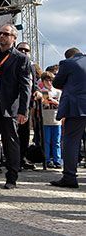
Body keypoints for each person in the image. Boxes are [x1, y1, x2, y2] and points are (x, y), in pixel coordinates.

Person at [0, 24, 31, 190]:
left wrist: (23, 110)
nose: (2, 36)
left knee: (10, 141)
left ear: (14, 38)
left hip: (9, 105)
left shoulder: (21, 58)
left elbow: (25, 86)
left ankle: (11, 176)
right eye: (0, 33)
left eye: (6, 34)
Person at [50, 47, 86, 188]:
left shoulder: (68, 63)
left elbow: (56, 83)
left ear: (69, 56)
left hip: (77, 107)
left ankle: (70, 176)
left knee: (71, 140)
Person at [15, 41, 40, 169]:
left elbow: (33, 83)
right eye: (21, 49)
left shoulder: (31, 66)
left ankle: (22, 158)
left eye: (26, 50)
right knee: (13, 133)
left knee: (24, 134)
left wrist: (36, 90)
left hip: (27, 104)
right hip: (14, 103)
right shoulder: (13, 62)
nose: (24, 52)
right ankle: (13, 159)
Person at [39, 71, 62, 168]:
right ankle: (47, 159)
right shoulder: (42, 91)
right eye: (47, 80)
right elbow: (45, 103)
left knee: (56, 142)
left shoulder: (58, 92)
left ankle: (57, 160)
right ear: (43, 81)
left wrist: (54, 101)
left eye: (51, 80)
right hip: (46, 120)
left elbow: (61, 104)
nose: (49, 82)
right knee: (47, 142)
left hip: (56, 120)